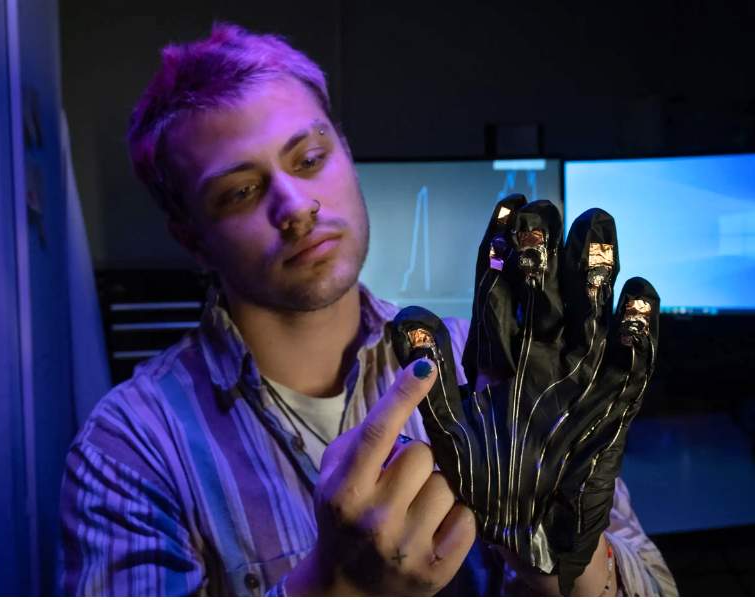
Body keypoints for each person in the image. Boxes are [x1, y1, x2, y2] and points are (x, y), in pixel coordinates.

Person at [59, 23, 677, 596]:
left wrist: (564, 558)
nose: (295, 206)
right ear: (190, 235)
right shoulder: (130, 448)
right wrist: (334, 583)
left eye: (308, 159)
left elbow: (654, 582)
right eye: (240, 191)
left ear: (347, 155)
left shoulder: (491, 364)